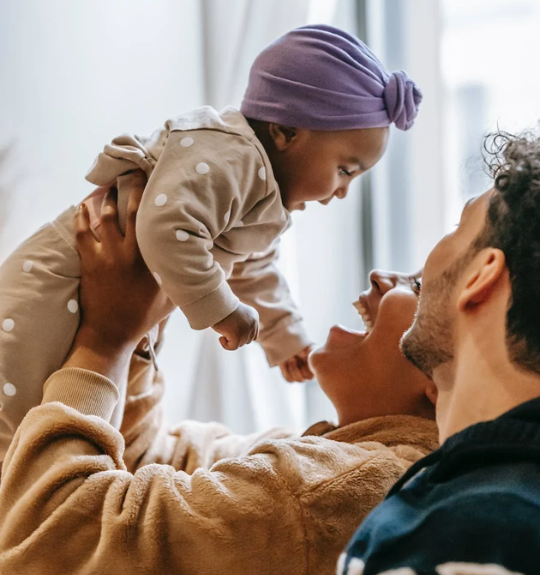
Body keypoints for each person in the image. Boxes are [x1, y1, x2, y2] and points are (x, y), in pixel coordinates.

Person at [0, 24, 422, 463]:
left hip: (86, 297)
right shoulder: (232, 156)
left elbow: (255, 266)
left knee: (33, 427)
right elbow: (167, 229)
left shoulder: (260, 190)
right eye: (345, 170)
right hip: (53, 285)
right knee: (17, 417)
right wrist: (224, 311)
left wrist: (284, 336)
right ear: (285, 132)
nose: (342, 192)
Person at [0, 181, 437, 575]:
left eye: (418, 286)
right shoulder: (338, 457)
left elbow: (48, 541)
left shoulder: (325, 491)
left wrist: (105, 342)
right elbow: (147, 459)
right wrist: (140, 322)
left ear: (440, 385)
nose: (381, 276)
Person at [340, 125, 540, 575]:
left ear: (481, 277)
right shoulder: (522, 498)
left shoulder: (487, 530)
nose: (426, 263)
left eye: (459, 227)